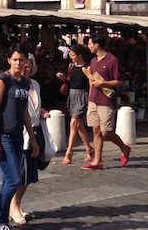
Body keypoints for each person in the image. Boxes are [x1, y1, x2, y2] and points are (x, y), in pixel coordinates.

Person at [0, 45, 39, 230]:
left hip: (18, 136)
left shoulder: (25, 83)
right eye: (15, 59)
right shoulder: (3, 80)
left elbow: (24, 112)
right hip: (4, 136)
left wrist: (32, 138)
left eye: (22, 60)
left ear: (27, 61)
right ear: (9, 60)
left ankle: (1, 221)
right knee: (13, 179)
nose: (18, 63)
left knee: (11, 179)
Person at [83, 32, 130, 170]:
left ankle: (124, 147)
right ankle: (97, 161)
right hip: (93, 99)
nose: (89, 46)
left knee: (106, 132)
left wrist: (103, 84)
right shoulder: (92, 61)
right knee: (96, 130)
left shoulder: (112, 60)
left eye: (90, 43)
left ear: (97, 45)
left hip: (107, 100)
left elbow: (119, 81)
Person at [10, 56, 46, 226]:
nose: (26, 69)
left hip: (34, 132)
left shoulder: (35, 85)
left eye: (29, 66)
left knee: (29, 173)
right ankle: (13, 206)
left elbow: (34, 107)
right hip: (21, 133)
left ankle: (16, 204)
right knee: (21, 173)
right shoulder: (15, 85)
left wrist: (42, 111)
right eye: (24, 66)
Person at [56, 43, 92, 164]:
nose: (71, 57)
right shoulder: (71, 66)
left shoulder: (87, 68)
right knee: (78, 124)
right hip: (72, 95)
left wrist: (90, 99)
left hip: (82, 96)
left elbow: (91, 84)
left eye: (73, 55)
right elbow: (70, 81)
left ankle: (69, 153)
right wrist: (63, 79)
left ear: (79, 55)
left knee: (73, 123)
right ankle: (89, 149)